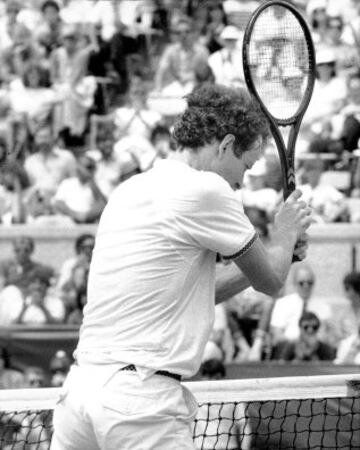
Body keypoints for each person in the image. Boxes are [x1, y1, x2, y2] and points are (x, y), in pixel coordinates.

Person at [50, 83, 311, 450]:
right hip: (139, 405)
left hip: (79, 397)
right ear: (224, 145)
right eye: (245, 166)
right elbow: (270, 280)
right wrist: (284, 237)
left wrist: (282, 251)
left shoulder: (129, 189)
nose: (240, 182)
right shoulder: (207, 190)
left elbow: (201, 290)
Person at [194, 358, 251, 450]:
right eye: (208, 376)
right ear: (202, 377)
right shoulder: (193, 397)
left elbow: (244, 426)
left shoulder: (234, 397)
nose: (212, 381)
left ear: (222, 378)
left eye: (216, 377)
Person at [272, 311, 336, 362]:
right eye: (306, 327)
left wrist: (312, 353)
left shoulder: (325, 348)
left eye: (314, 327)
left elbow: (329, 368)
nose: (310, 330)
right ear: (300, 328)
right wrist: (298, 357)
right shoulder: (291, 346)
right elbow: (281, 367)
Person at [334, 271, 360, 364]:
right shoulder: (343, 313)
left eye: (347, 288)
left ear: (356, 289)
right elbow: (338, 337)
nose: (344, 291)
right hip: (347, 351)